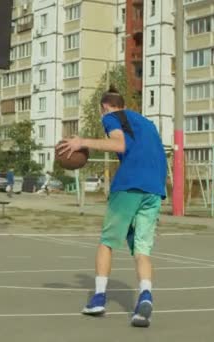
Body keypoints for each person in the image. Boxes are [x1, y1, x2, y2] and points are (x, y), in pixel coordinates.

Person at [57, 85, 167, 328]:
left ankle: (98, 298)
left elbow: (119, 145)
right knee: (142, 249)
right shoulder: (146, 123)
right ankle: (145, 298)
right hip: (155, 188)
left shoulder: (111, 117)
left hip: (130, 185)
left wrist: (81, 142)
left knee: (107, 242)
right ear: (124, 104)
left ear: (104, 107)